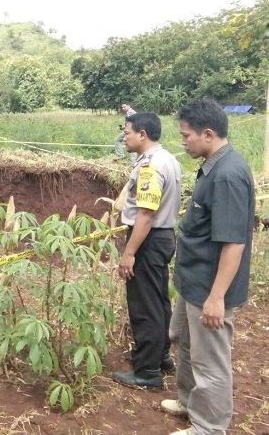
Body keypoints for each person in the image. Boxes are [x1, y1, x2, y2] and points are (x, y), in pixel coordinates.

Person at [160, 99, 255, 435]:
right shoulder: (213, 165)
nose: (183, 141)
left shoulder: (228, 175)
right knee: (184, 341)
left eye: (186, 136)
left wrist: (217, 297)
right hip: (193, 280)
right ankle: (189, 401)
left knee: (209, 360)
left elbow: (233, 243)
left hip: (209, 288)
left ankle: (209, 427)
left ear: (208, 134)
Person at [111, 112, 181, 389]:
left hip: (148, 239)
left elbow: (145, 215)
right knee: (159, 300)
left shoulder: (150, 167)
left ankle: (147, 372)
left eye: (126, 131)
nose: (123, 136)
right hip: (163, 237)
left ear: (142, 134)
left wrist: (129, 253)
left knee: (145, 305)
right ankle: (160, 355)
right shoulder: (169, 159)